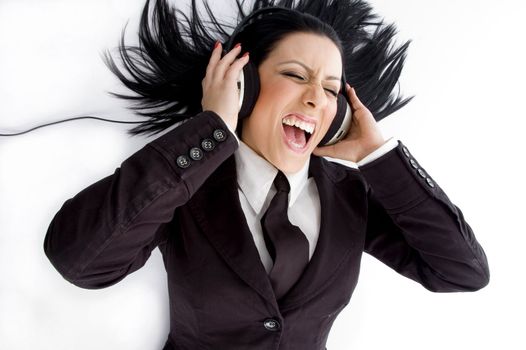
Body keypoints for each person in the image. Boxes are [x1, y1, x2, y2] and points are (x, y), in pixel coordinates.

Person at [44, 0, 489, 349]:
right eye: (296, 75)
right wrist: (210, 129)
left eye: (331, 89)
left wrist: (379, 156)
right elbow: (79, 261)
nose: (317, 98)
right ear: (244, 83)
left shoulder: (350, 195)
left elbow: (461, 271)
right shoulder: (187, 187)